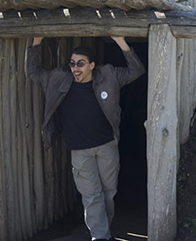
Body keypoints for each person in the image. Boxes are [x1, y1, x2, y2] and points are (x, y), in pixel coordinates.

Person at [26, 36, 145, 241]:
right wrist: (37, 41)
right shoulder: (59, 80)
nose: (75, 69)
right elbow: (33, 72)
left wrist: (120, 41)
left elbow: (136, 70)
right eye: (72, 64)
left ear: (91, 65)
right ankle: (100, 236)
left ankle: (103, 230)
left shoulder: (108, 76)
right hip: (80, 150)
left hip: (107, 146)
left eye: (80, 64)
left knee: (109, 191)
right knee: (92, 196)